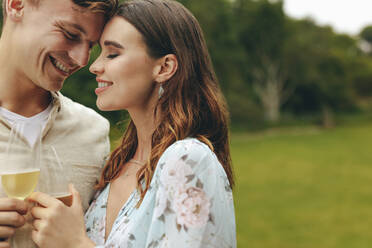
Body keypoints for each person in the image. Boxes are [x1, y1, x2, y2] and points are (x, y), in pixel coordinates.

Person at [30, 0, 236, 247]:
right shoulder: (114, 167)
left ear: (164, 67)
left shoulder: (188, 160)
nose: (94, 66)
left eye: (113, 54)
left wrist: (75, 243)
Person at [0, 0, 118, 247]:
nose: (82, 59)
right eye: (70, 34)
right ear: (16, 5)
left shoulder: (94, 132)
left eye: (91, 45)